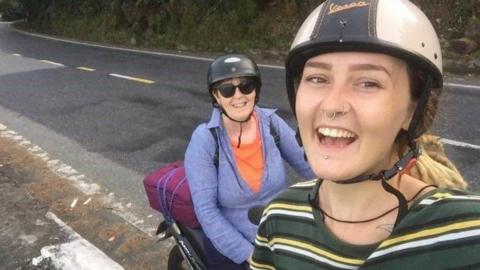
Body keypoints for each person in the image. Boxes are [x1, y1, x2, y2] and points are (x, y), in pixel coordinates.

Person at [250, 0, 480, 269]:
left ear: (414, 111)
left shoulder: (468, 235)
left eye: (368, 83)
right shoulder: (279, 219)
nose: (333, 105)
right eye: (317, 78)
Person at [184, 53, 315, 269]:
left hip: (277, 233)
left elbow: (309, 165)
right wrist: (250, 255)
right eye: (227, 89)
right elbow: (206, 210)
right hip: (231, 243)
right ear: (216, 96)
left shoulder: (271, 123)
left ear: (256, 90)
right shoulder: (205, 140)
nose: (238, 96)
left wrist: (348, 187)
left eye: (246, 86)